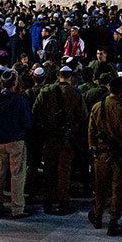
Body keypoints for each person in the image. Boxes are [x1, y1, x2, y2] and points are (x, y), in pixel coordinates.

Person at [32, 65, 87, 215]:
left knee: (49, 170)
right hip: (67, 139)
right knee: (64, 171)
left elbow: (35, 112)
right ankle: (63, 202)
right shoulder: (76, 93)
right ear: (71, 77)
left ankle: (48, 202)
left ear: (58, 76)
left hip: (49, 137)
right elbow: (83, 116)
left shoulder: (46, 91)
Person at [87, 75, 122, 235]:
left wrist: (93, 147)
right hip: (119, 155)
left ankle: (98, 216)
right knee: (118, 190)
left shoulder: (98, 106)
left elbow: (91, 131)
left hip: (101, 154)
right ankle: (113, 221)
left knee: (100, 187)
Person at [0, 69, 33, 219]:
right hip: (15, 140)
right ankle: (17, 208)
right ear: (15, 83)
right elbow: (27, 122)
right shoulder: (19, 100)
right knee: (17, 175)